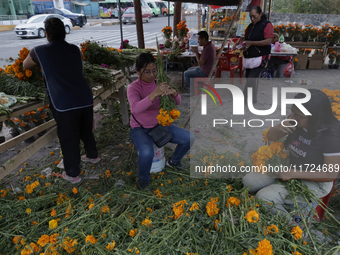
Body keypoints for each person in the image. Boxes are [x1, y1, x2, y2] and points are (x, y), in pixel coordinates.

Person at [243, 89, 340, 223]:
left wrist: (293, 173)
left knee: (264, 197)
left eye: (298, 115)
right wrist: (279, 128)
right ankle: (273, 206)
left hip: (315, 182)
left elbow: (331, 174)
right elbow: (270, 136)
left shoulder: (332, 137)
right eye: (292, 111)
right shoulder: (296, 121)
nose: (293, 117)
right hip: (290, 169)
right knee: (248, 181)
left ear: (315, 116)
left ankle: (293, 225)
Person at [23, 17, 100, 184]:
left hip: (64, 102)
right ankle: (93, 156)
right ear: (64, 32)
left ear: (47, 34)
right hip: (85, 97)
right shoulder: (74, 49)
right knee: (85, 130)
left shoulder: (39, 51)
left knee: (68, 137)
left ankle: (72, 174)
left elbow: (25, 66)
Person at [127, 53, 195, 190]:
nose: (152, 75)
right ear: (138, 71)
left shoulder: (160, 83)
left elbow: (178, 102)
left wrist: (174, 93)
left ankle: (173, 162)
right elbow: (136, 108)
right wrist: (155, 94)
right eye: (147, 72)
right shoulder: (133, 88)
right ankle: (144, 181)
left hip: (160, 125)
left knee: (189, 138)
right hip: (140, 128)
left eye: (154, 71)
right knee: (146, 153)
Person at [234, 5, 273, 103]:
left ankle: (243, 98)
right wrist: (241, 43)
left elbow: (268, 41)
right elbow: (247, 39)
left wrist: (251, 43)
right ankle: (253, 100)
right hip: (249, 56)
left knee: (251, 78)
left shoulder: (267, 24)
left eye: (254, 16)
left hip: (261, 56)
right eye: (250, 16)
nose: (252, 19)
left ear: (260, 14)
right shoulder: (250, 26)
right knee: (250, 78)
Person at [183, 31, 215, 95]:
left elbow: (200, 63)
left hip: (206, 71)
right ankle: (193, 88)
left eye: (199, 39)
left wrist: (196, 52)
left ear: (203, 39)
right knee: (189, 69)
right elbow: (203, 58)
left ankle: (191, 91)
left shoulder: (208, 48)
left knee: (186, 73)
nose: (198, 41)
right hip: (207, 68)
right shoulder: (209, 45)